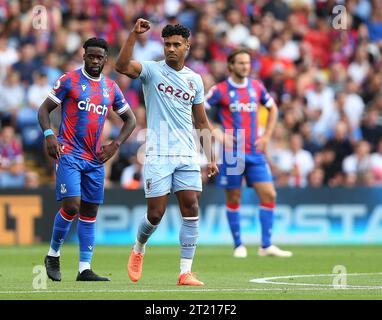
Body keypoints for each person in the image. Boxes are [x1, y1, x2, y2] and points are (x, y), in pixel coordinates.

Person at [115, 19, 218, 286]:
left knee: (191, 207)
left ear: (187, 46)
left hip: (187, 154)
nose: (171, 49)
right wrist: (133, 36)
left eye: (176, 44)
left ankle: (185, 272)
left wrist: (211, 157)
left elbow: (201, 121)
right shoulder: (151, 70)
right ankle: (139, 248)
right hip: (158, 153)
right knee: (156, 214)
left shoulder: (195, 80)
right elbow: (121, 66)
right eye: (167, 44)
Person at [38, 37, 136, 282]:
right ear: (84, 56)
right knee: (72, 206)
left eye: (99, 57)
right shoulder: (69, 80)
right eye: (90, 56)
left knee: (90, 211)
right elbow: (43, 109)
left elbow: (131, 120)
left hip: (95, 158)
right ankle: (53, 254)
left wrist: (115, 145)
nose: (94, 60)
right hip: (69, 153)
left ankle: (84, 269)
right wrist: (49, 134)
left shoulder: (111, 88)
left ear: (106, 60)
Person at [205, 48, 292, 258]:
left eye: (247, 63)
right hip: (232, 153)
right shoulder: (220, 90)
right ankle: (238, 245)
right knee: (235, 197)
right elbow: (198, 110)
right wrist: (216, 132)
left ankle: (266, 245)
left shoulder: (256, 86)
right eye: (241, 63)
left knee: (269, 194)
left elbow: (274, 109)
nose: (245, 66)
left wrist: (267, 136)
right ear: (231, 66)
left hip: (254, 152)